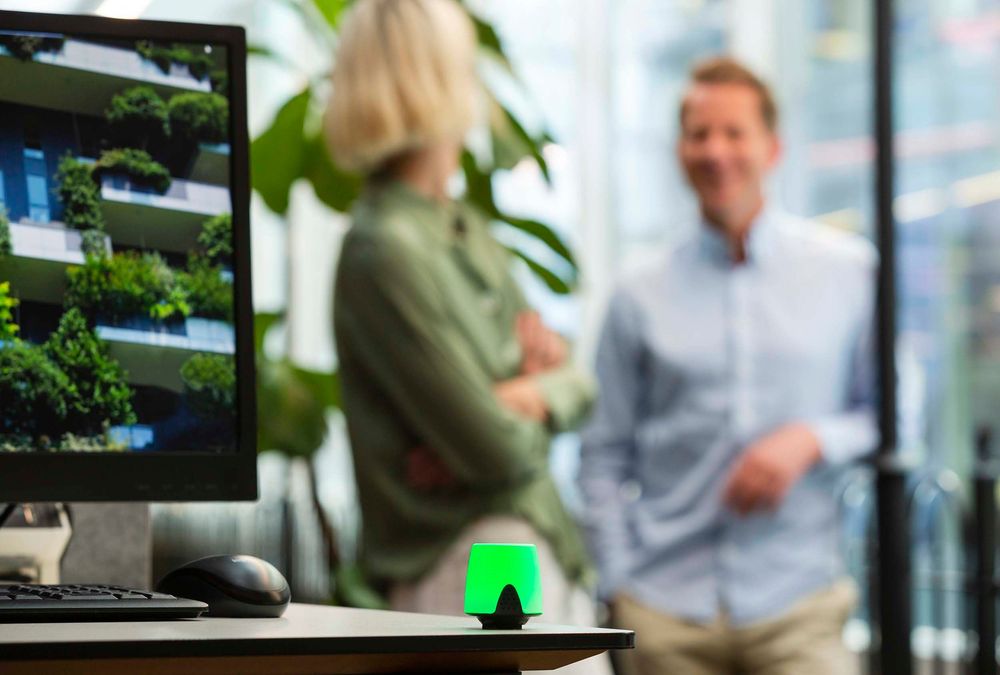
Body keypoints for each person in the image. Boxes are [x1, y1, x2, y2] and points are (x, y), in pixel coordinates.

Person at [328, 4, 609, 673]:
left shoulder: (461, 226)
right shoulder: (385, 250)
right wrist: (521, 402)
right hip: (472, 566)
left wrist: (519, 395)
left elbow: (576, 378)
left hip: (527, 548)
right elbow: (496, 450)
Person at [579, 56, 877, 675]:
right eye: (699, 134)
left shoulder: (848, 272)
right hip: (663, 612)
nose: (716, 152)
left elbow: (897, 413)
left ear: (773, 147)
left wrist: (811, 439)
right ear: (680, 150)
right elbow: (602, 453)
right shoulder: (637, 292)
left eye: (734, 132)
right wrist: (619, 585)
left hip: (798, 605)